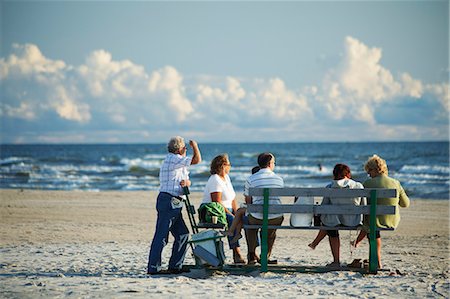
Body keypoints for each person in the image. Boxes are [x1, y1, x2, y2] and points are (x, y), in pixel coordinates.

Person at [147, 136, 202, 275]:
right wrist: (195, 146)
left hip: (175, 202)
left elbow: (185, 179)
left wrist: (187, 183)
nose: (186, 150)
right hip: (169, 201)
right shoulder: (173, 158)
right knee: (161, 235)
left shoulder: (177, 162)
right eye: (185, 148)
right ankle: (154, 267)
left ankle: (175, 266)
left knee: (183, 234)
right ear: (180, 149)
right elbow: (197, 160)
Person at [351, 154, 410, 269]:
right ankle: (375, 260)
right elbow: (405, 204)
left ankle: (376, 261)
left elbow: (361, 204)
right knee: (372, 223)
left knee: (371, 223)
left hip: (373, 222)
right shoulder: (396, 183)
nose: (368, 174)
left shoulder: (367, 184)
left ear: (376, 170)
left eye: (369, 171)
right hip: (391, 221)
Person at [307, 164, 365, 267]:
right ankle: (315, 243)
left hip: (334, 222)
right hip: (354, 221)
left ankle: (336, 261)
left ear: (334, 175)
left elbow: (323, 206)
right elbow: (364, 206)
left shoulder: (329, 187)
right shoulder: (358, 186)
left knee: (329, 223)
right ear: (348, 174)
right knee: (330, 221)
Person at [200, 154, 245, 264]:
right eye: (229, 164)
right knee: (232, 220)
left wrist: (237, 212)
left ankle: (252, 253)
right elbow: (217, 202)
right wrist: (232, 215)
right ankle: (236, 252)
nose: (230, 166)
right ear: (223, 165)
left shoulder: (226, 178)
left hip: (226, 209)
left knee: (245, 218)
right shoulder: (215, 179)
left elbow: (232, 198)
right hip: (214, 211)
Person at [244, 153, 284, 265]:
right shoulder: (279, 179)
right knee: (270, 231)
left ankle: (251, 254)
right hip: (275, 217)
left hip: (256, 218)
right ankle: (265, 256)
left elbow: (248, 202)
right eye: (274, 163)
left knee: (249, 223)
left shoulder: (250, 179)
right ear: (270, 163)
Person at [226, 166, 261, 244]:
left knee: (243, 215)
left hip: (257, 214)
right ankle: (237, 234)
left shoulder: (251, 182)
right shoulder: (272, 182)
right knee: (243, 214)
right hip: (273, 216)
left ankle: (235, 233)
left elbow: (249, 202)